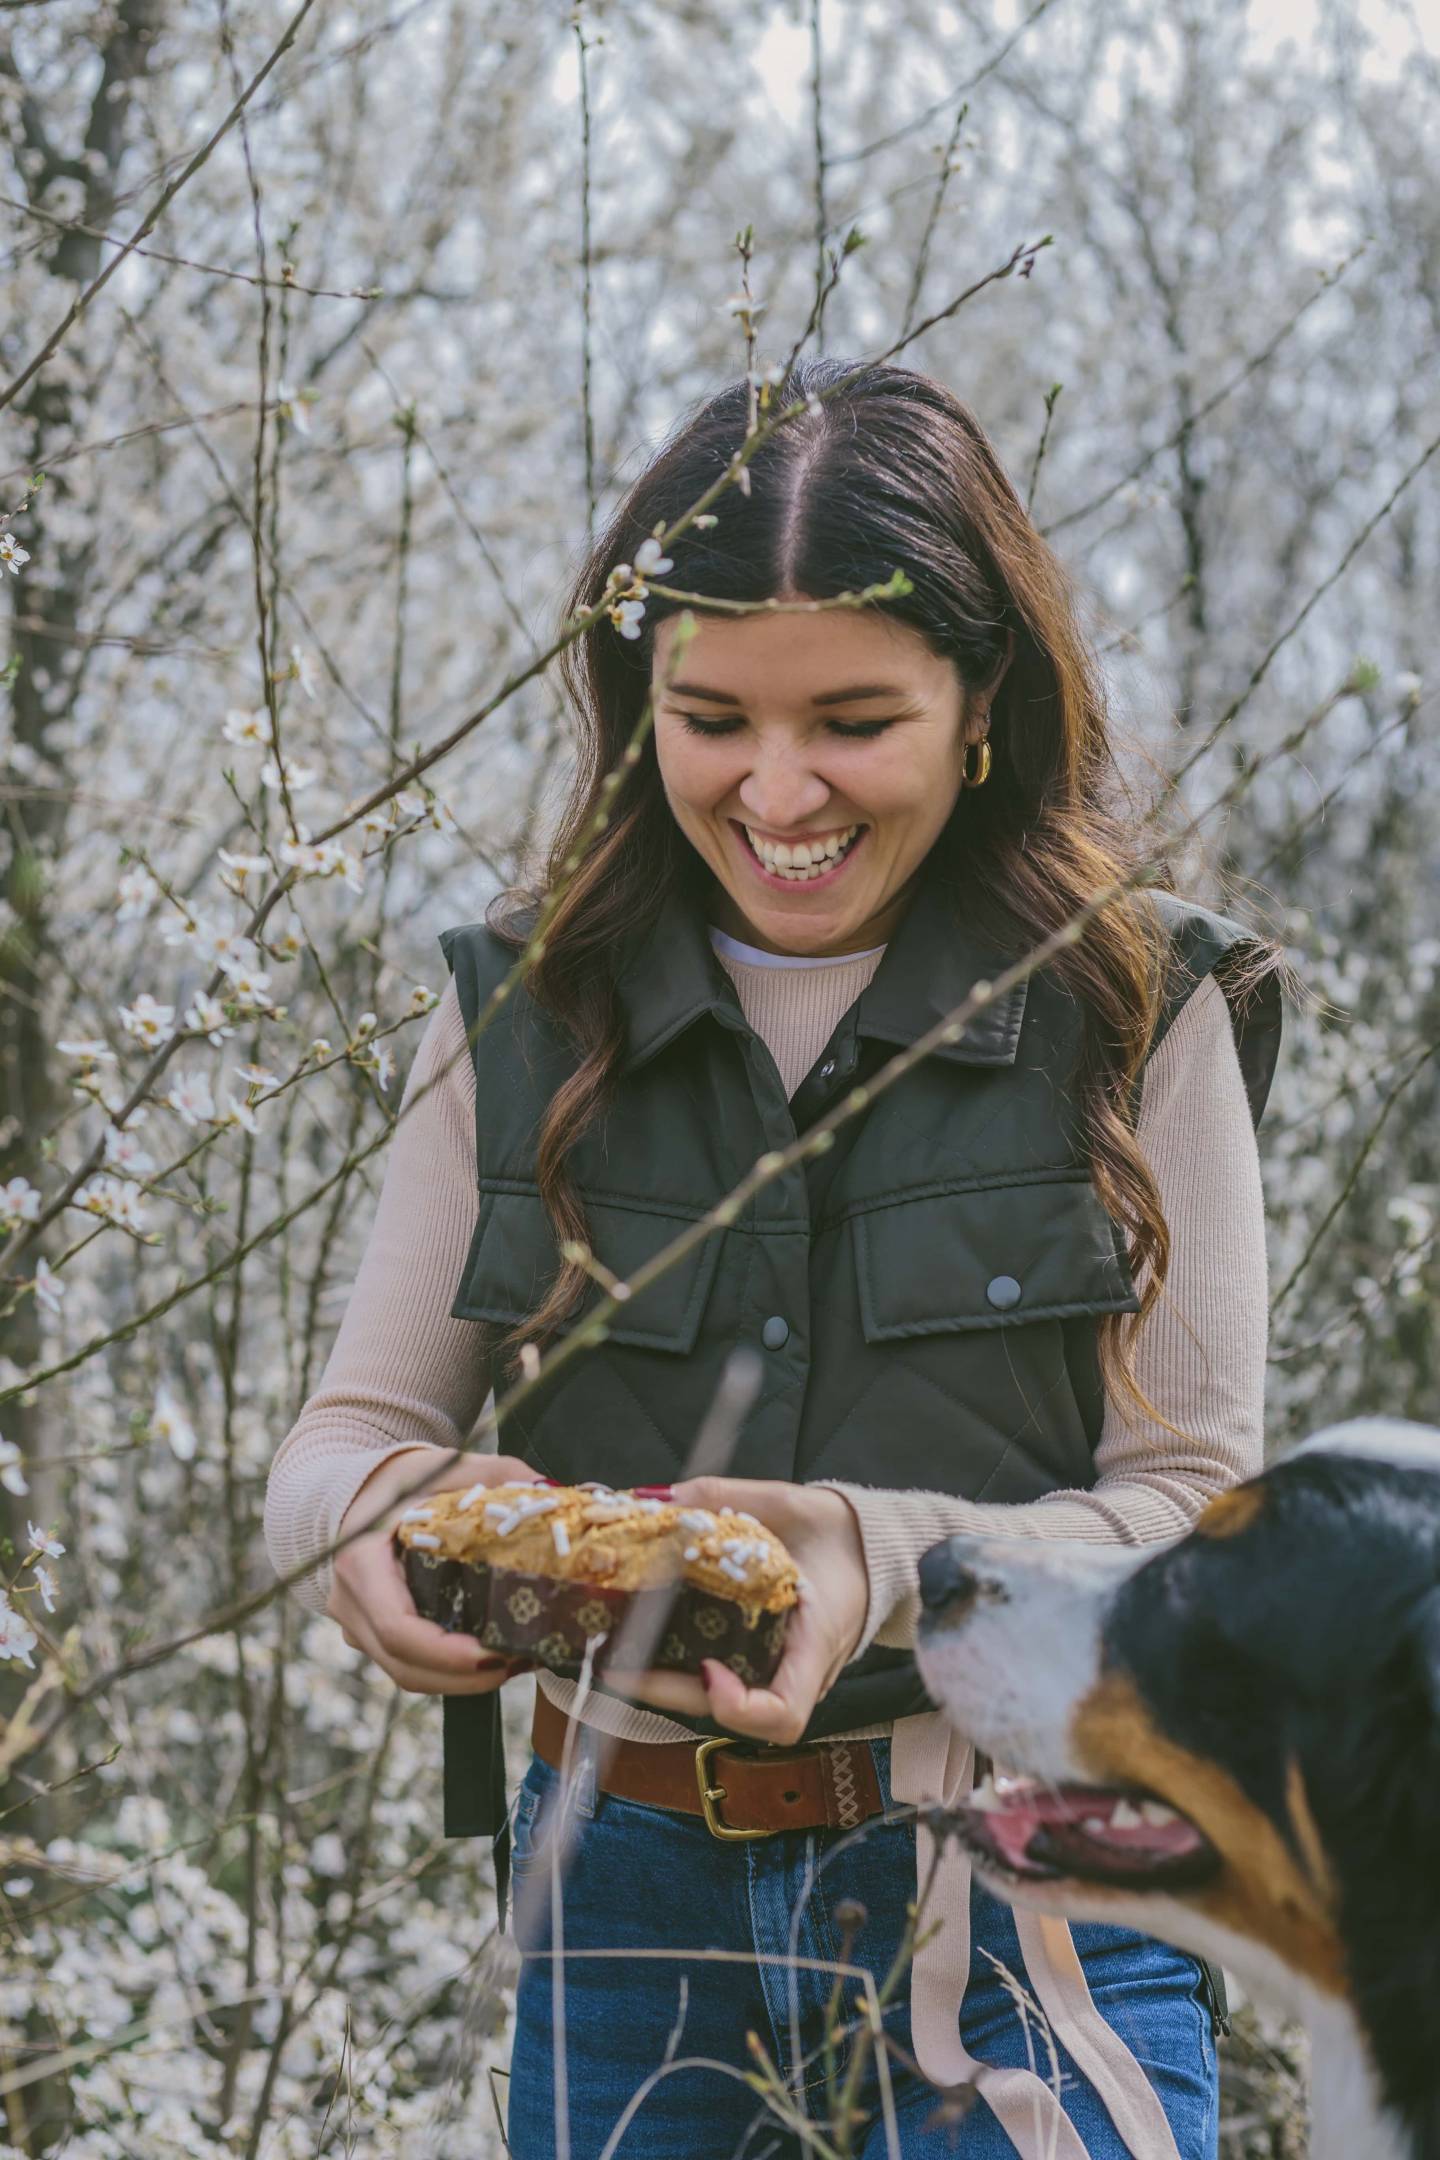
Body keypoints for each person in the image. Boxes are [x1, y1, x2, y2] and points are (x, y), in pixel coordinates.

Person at [264, 357, 1285, 2158]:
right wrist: (372, 1518)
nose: (777, 786)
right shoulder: (517, 1009)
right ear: (635, 695)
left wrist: (866, 1560)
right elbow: (348, 1431)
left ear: (984, 708)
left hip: (1028, 1874)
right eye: (711, 713)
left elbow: (1196, 1511)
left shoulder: (1143, 1007)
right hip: (618, 1905)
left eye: (854, 720)